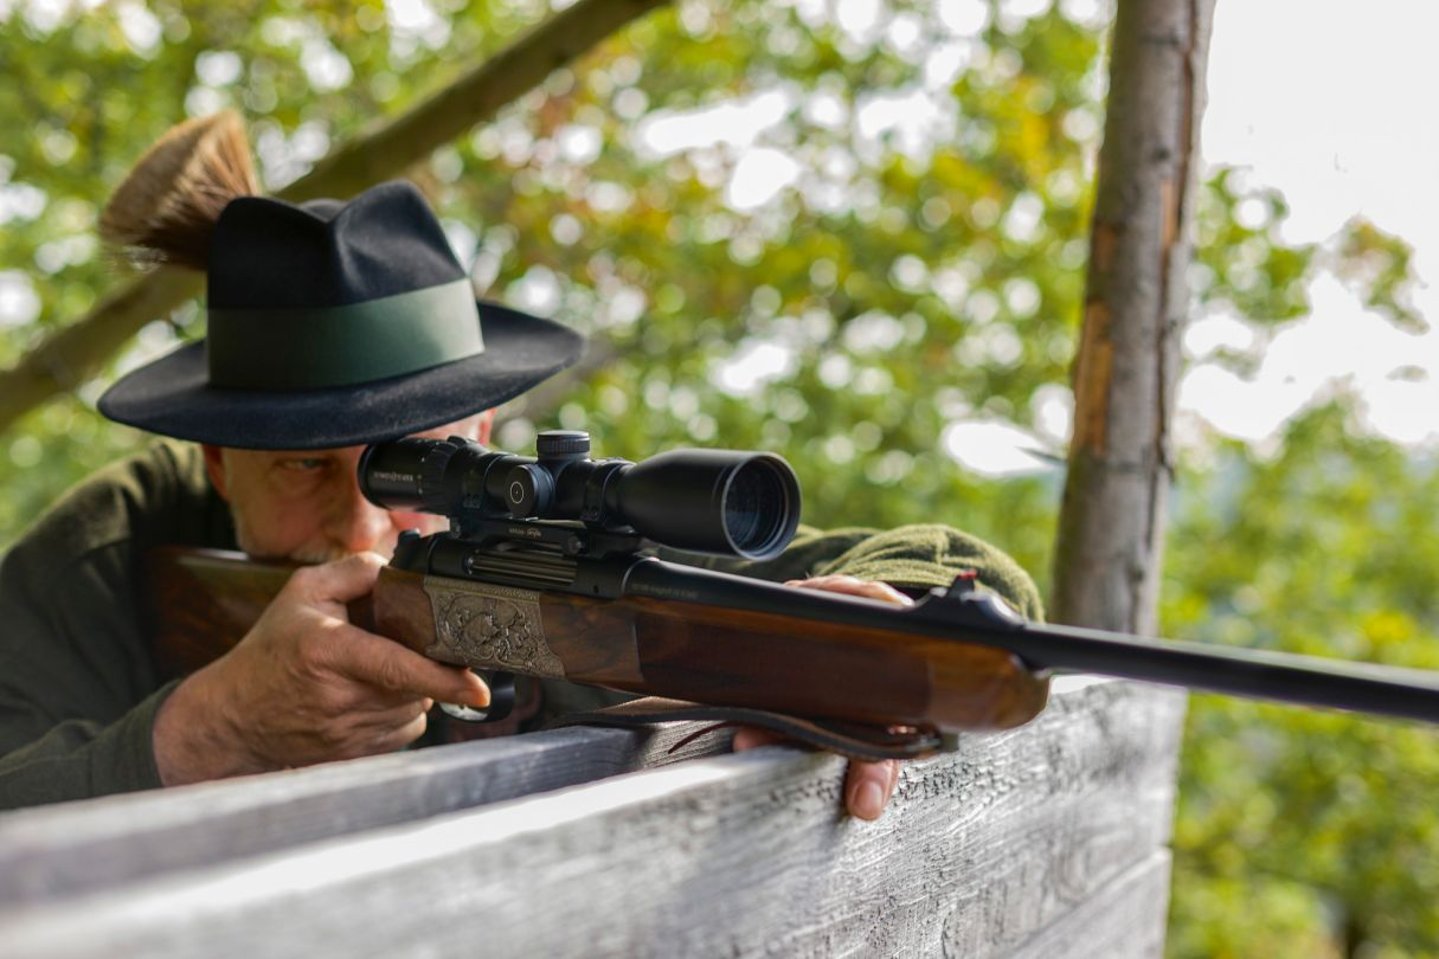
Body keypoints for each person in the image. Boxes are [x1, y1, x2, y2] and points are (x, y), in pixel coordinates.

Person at [0, 112, 1043, 816]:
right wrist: (212, 726)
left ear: (485, 436)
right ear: (220, 462)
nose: (362, 529)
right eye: (306, 470)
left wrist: (873, 632)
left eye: (404, 469)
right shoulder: (110, 554)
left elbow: (951, 565)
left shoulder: (535, 550)